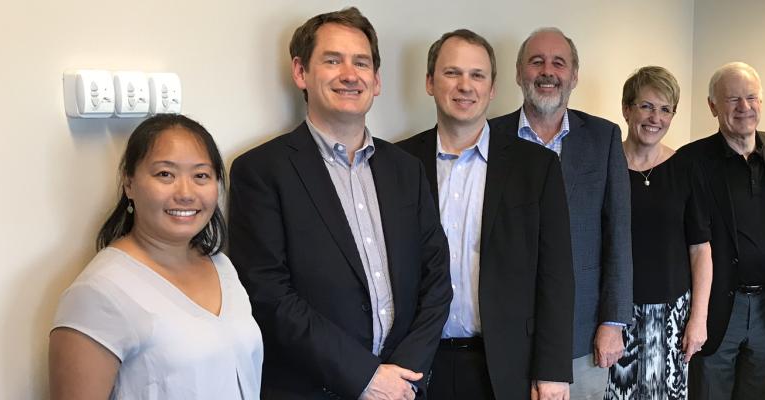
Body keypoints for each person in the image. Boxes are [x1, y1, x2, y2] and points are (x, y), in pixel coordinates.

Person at [227, 7, 451, 400]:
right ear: (301, 72)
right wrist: (367, 377)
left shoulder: (406, 170)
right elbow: (269, 296)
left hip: (404, 390)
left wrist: (403, 376)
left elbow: (436, 280)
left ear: (377, 81)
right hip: (314, 390)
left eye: (361, 63)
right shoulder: (260, 171)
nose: (350, 74)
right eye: (333, 60)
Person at [395, 29, 574, 400]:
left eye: (477, 75)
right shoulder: (397, 163)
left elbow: (555, 276)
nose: (465, 86)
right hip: (416, 365)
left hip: (506, 367)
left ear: (492, 88)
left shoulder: (537, 167)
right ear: (430, 82)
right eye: (451, 73)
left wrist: (553, 372)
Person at [49, 114, 262, 399]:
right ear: (129, 184)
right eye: (165, 174)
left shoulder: (221, 265)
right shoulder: (97, 294)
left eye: (201, 175)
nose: (186, 193)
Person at [488, 27, 633, 399]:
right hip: (504, 337)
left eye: (559, 63)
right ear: (520, 73)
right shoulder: (489, 137)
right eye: (536, 62)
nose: (548, 72)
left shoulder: (603, 138)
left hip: (581, 335)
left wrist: (612, 322)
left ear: (574, 75)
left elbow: (618, 233)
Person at [677, 62, 765, 400]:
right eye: (732, 99)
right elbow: (689, 243)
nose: (744, 108)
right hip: (717, 308)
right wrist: (696, 317)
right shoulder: (691, 160)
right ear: (712, 106)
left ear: (761, 102)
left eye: (751, 98)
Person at [604, 66, 713, 400]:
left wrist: (698, 320)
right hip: (612, 317)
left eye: (666, 109)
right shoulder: (605, 166)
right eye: (646, 106)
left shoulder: (685, 168)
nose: (656, 118)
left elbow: (701, 250)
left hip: (670, 318)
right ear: (626, 109)